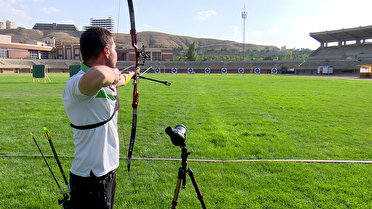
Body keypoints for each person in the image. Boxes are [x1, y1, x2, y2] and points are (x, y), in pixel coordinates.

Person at [63, 27, 139, 209]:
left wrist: (132, 73)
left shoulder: (105, 81)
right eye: (114, 49)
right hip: (89, 178)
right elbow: (102, 75)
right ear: (106, 51)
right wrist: (114, 73)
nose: (116, 53)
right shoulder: (77, 84)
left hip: (107, 171)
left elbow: (119, 80)